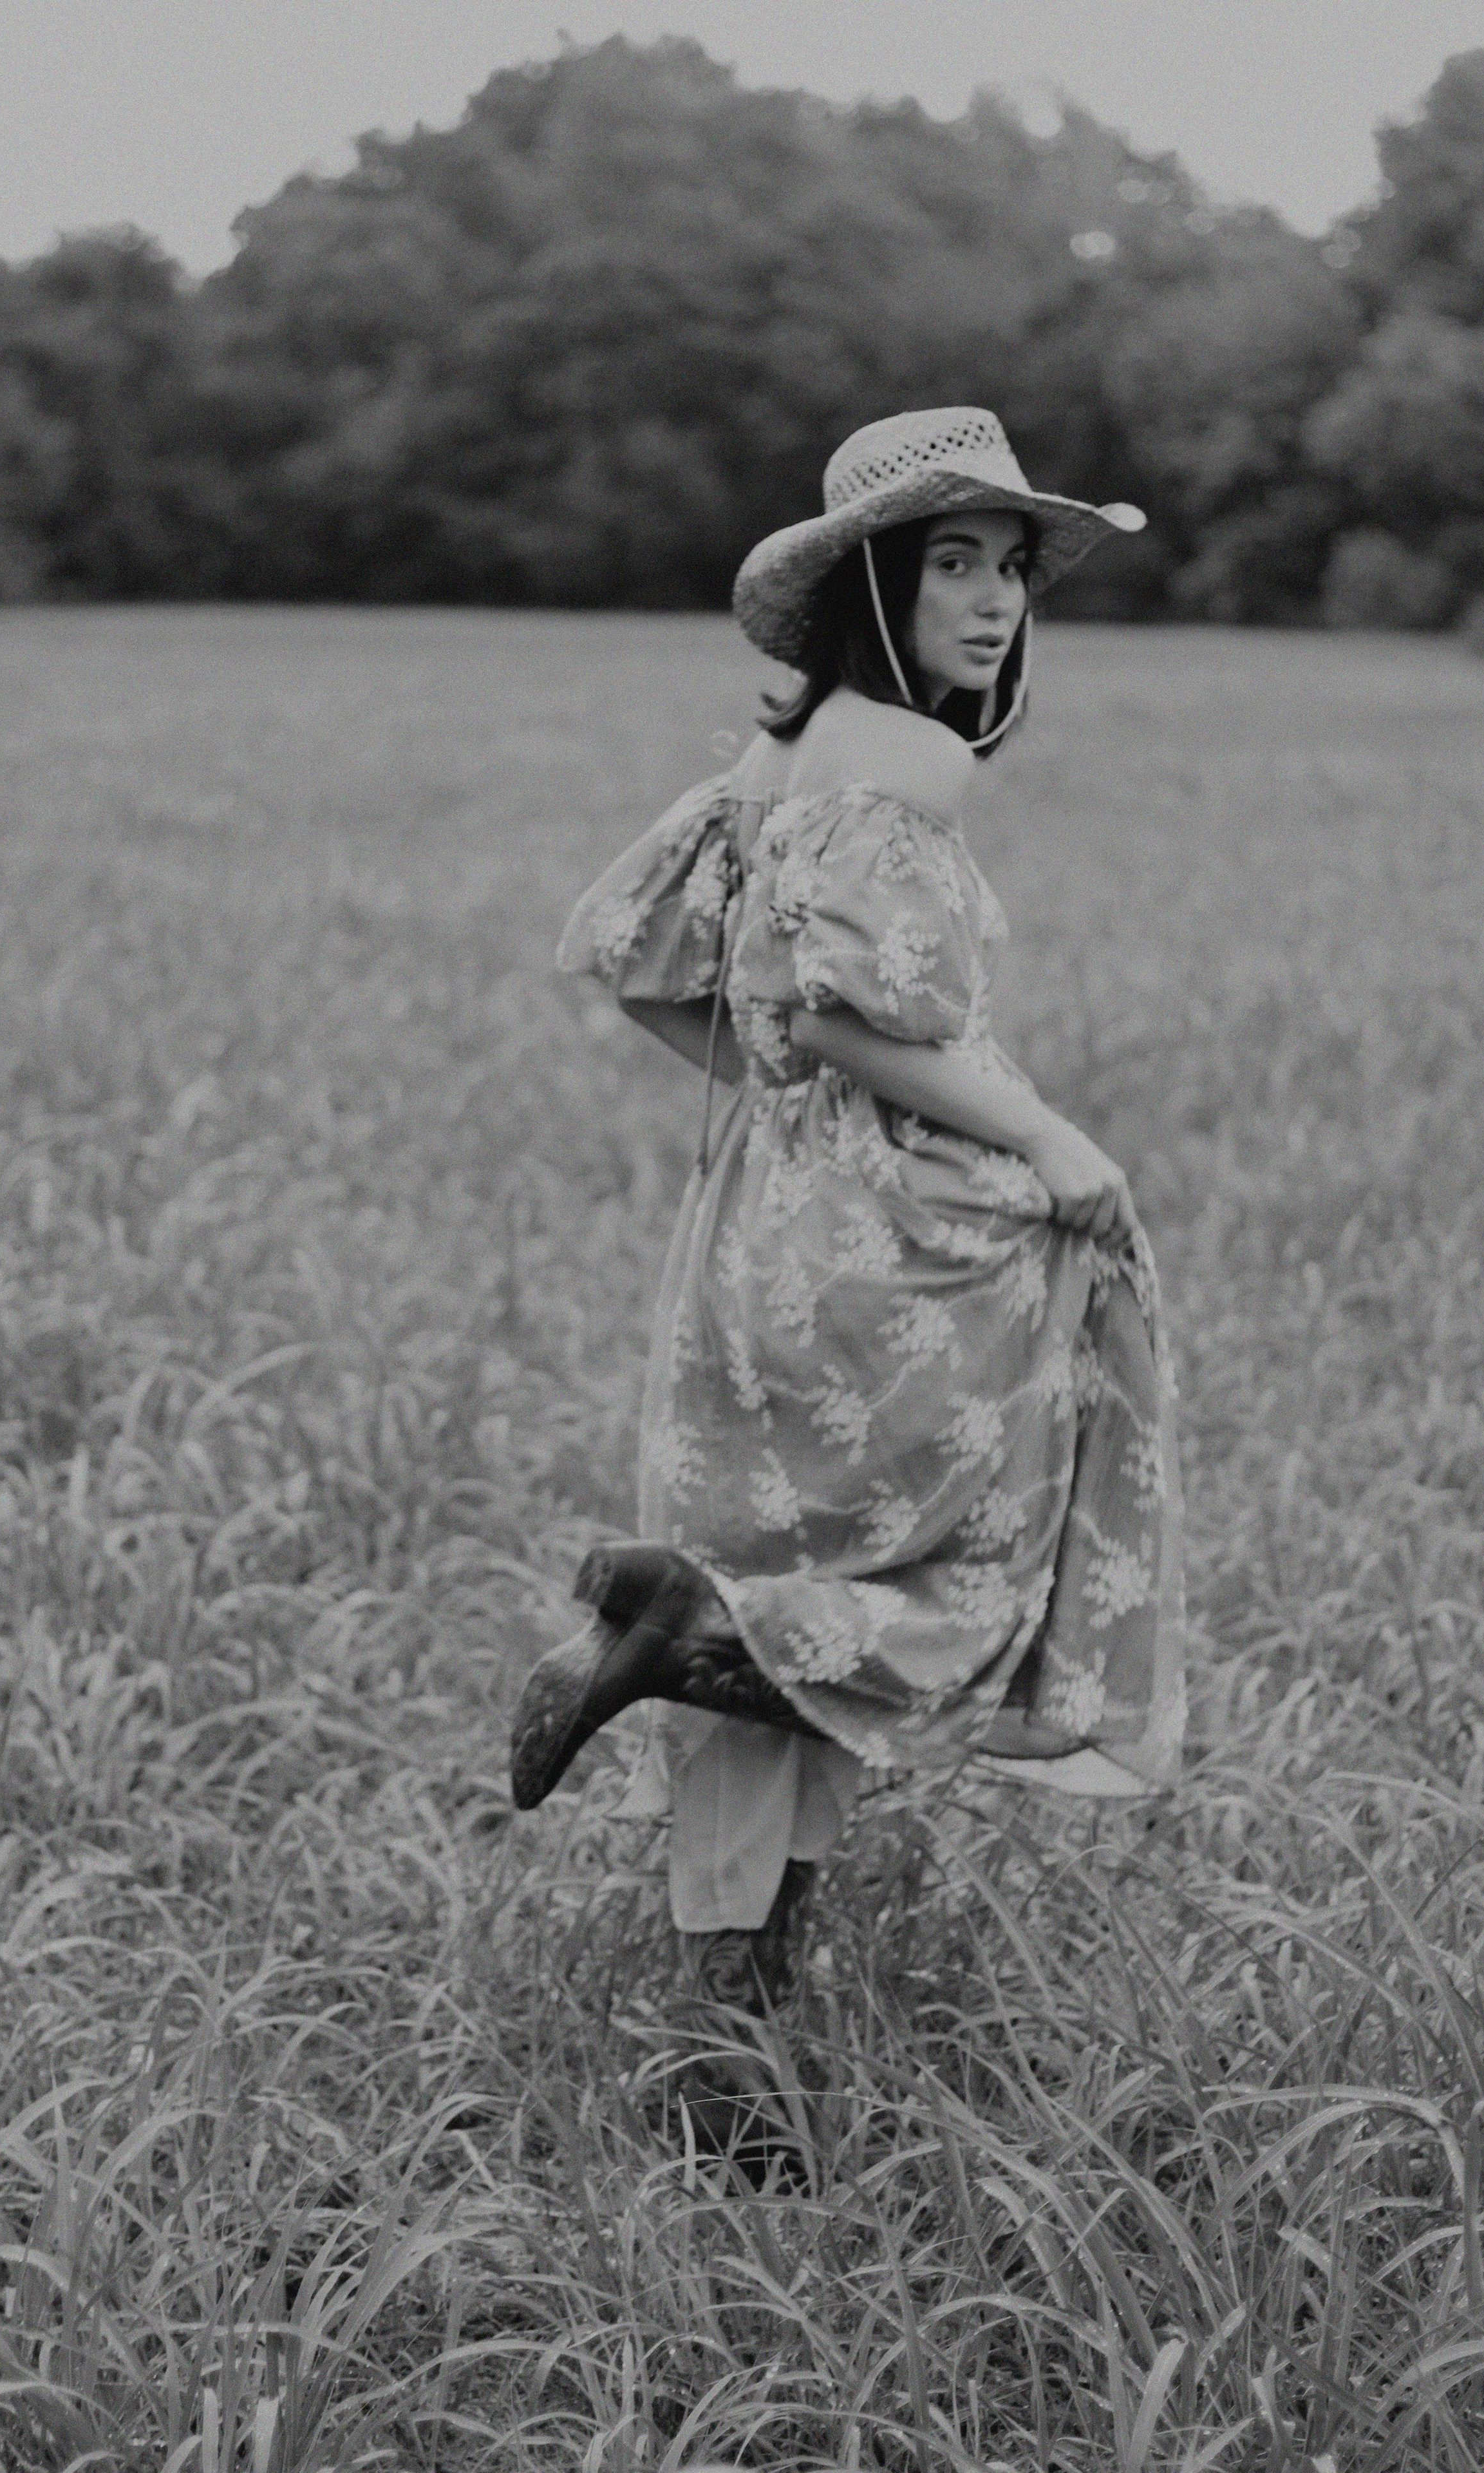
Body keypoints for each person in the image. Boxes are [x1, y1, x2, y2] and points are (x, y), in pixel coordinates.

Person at [511, 406, 1185, 2034]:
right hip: (892, 1246)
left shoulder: (779, 762)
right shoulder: (910, 761)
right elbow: (839, 1024)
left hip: (757, 1233)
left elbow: (631, 954)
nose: (995, 601)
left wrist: (775, 1113)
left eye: (1012, 568)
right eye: (952, 563)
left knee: (777, 1567)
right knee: (954, 1589)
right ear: (873, 584)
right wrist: (1047, 1137)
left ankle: (731, 2050)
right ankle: (680, 1633)